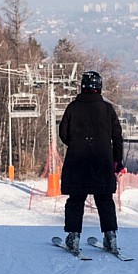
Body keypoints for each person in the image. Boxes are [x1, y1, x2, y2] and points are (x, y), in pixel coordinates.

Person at [59, 70, 124, 254]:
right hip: (102, 161)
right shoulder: (107, 109)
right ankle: (110, 237)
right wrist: (117, 160)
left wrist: (76, 144)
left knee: (76, 199)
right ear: (99, 87)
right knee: (104, 199)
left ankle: (73, 237)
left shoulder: (73, 107)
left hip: (77, 160)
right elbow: (117, 137)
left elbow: (63, 133)